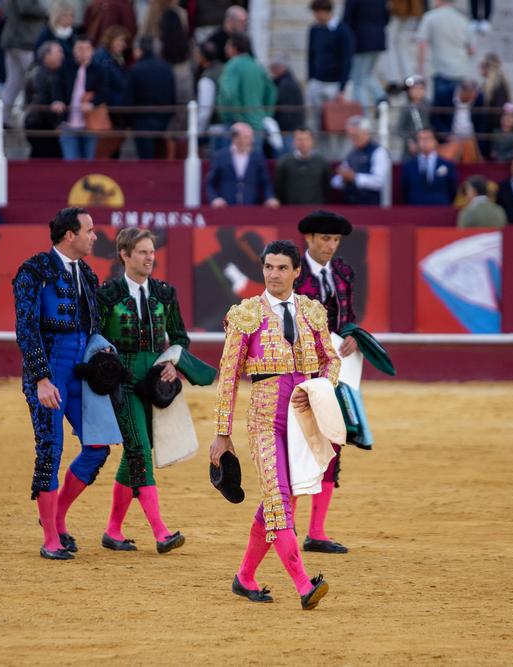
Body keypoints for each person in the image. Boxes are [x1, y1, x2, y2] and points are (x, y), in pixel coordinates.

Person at [209, 239, 338, 610]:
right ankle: (303, 584)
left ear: (297, 271)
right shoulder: (246, 314)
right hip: (264, 419)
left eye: (282, 268)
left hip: (302, 420)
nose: (274, 274)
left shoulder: (313, 313)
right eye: (268, 267)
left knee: (280, 501)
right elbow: (228, 377)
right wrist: (222, 434)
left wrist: (317, 388)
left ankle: (244, 577)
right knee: (279, 500)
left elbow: (331, 362)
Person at [13, 207, 110, 560]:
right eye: (89, 230)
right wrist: (40, 378)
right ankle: (51, 539)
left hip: (79, 372)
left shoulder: (86, 273)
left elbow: (92, 328)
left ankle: (58, 517)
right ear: (70, 234)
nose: (94, 236)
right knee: (50, 450)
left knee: (97, 445)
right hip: (50, 373)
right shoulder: (34, 270)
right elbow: (26, 328)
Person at [96, 227, 194, 553]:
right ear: (124, 254)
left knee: (137, 450)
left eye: (151, 251)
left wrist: (172, 362)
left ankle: (113, 530)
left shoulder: (165, 293)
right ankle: (161, 531)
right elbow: (94, 338)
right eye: (142, 251)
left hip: (154, 382)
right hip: (121, 382)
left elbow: (180, 338)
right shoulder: (107, 294)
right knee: (139, 450)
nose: (150, 257)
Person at [292, 210, 357, 554]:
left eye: (335, 240)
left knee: (332, 442)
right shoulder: (291, 272)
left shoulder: (344, 273)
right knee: (296, 446)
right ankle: (284, 525)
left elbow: (348, 319)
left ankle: (316, 531)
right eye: (325, 239)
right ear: (309, 239)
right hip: (298, 372)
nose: (330, 246)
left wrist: (352, 336)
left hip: (334, 372)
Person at [416, 0, 475, 133]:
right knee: (457, 115)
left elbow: (422, 44)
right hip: (460, 72)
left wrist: (420, 71)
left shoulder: (430, 17)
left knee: (440, 117)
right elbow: (472, 50)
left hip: (441, 73)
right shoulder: (463, 20)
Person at [305, 0, 354, 136]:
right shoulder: (315, 30)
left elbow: (347, 60)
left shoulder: (343, 31)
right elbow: (311, 56)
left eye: (319, 13)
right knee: (318, 124)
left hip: (335, 84)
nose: (317, 16)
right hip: (318, 81)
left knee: (339, 124)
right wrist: (311, 79)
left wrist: (342, 88)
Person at [206, 122, 279, 208]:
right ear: (235, 138)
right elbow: (210, 183)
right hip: (226, 208)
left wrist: (270, 198)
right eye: (246, 137)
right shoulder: (220, 157)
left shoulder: (257, 157)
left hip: (251, 209)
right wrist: (215, 199)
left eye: (251, 137)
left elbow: (266, 182)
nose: (251, 141)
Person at [217, 32, 276, 138]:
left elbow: (229, 93)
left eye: (228, 45)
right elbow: (271, 92)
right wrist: (264, 114)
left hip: (236, 126)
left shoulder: (232, 66)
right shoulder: (257, 66)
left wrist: (237, 117)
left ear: (235, 48)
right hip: (257, 123)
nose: (225, 48)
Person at [125, 36, 175, 160]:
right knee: (161, 157)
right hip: (163, 121)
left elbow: (128, 99)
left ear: (140, 50)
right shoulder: (166, 68)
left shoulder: (135, 70)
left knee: (145, 159)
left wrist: (129, 122)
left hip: (141, 122)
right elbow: (172, 97)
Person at [0, 0, 48, 118]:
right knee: (35, 79)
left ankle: (3, 119)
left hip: (17, 40)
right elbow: (25, 7)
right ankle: (30, 118)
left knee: (14, 82)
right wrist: (46, 11)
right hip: (24, 41)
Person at [61, 37, 106, 160]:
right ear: (74, 51)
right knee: (70, 161)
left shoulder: (99, 70)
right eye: (79, 49)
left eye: (86, 49)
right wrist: (57, 102)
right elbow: (58, 88)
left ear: (92, 51)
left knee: (88, 161)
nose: (83, 52)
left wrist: (92, 103)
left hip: (89, 122)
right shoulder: (66, 68)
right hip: (68, 122)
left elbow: (103, 93)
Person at [24, 40, 69, 158]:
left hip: (41, 123)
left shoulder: (51, 72)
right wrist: (55, 123)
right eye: (59, 52)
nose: (62, 56)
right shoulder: (39, 73)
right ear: (47, 55)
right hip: (39, 124)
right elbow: (39, 99)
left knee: (37, 157)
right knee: (51, 157)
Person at [343, 0, 388, 115]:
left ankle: (363, 117)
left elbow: (347, 20)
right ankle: (381, 97)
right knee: (367, 74)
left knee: (358, 81)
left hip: (361, 42)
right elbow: (386, 17)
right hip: (377, 39)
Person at [331, 115, 388, 205]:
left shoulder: (378, 152)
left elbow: (379, 182)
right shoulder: (351, 153)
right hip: (350, 203)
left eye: (355, 136)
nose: (353, 139)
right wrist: (343, 178)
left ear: (366, 133)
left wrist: (355, 177)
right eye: (351, 136)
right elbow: (335, 182)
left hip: (370, 206)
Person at [400, 128, 458, 205]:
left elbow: (452, 189)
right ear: (417, 143)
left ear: (435, 142)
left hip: (440, 208)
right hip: (415, 208)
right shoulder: (408, 166)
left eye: (427, 138)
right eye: (421, 139)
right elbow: (405, 190)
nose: (424, 142)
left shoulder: (447, 165)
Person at [275, 127, 331, 205]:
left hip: (315, 209)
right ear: (294, 142)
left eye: (306, 139)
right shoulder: (284, 162)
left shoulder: (322, 162)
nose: (303, 142)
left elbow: (327, 186)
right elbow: (279, 186)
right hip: (291, 209)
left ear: (312, 141)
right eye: (299, 139)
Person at [268, 53, 304, 145]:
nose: (271, 71)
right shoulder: (283, 83)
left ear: (280, 68)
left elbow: (286, 111)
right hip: (287, 130)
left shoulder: (286, 85)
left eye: (273, 68)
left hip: (287, 131)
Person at [33, 1, 77, 71]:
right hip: (51, 70)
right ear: (57, 16)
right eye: (65, 15)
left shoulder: (73, 33)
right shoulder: (48, 32)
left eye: (71, 15)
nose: (69, 18)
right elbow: (38, 53)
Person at [395, 74, 430, 160]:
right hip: (411, 146)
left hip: (428, 142)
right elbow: (400, 128)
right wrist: (409, 141)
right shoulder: (406, 108)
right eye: (414, 89)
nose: (417, 91)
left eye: (420, 88)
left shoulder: (429, 106)